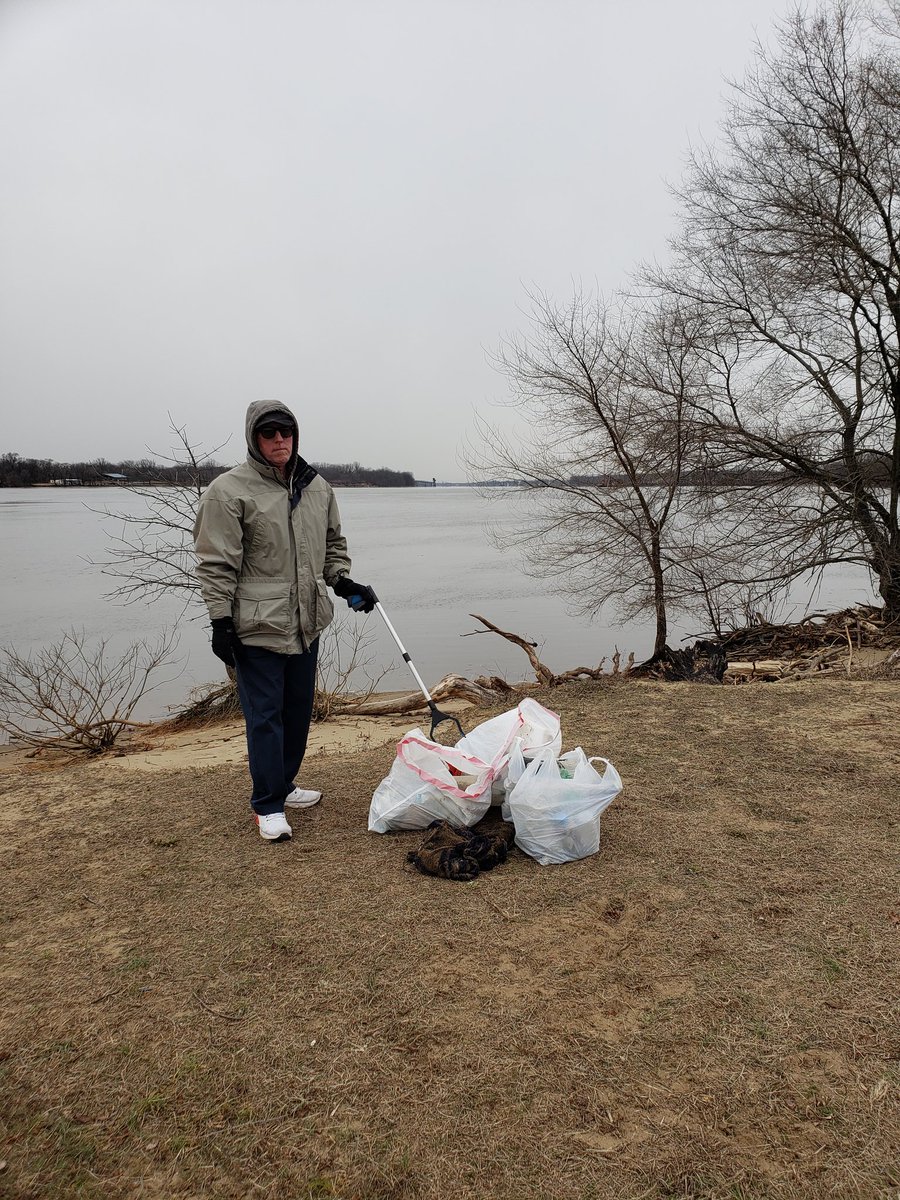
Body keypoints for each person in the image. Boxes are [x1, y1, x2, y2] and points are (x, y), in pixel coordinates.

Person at [193, 400, 376, 842]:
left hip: (305, 621)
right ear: (254, 439)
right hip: (255, 625)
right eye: (269, 433)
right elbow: (216, 563)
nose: (279, 441)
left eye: (286, 432)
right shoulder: (228, 490)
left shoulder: (316, 487)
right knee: (265, 716)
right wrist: (220, 621)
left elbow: (333, 544)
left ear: (295, 436)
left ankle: (285, 784)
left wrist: (345, 583)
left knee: (298, 711)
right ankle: (267, 804)